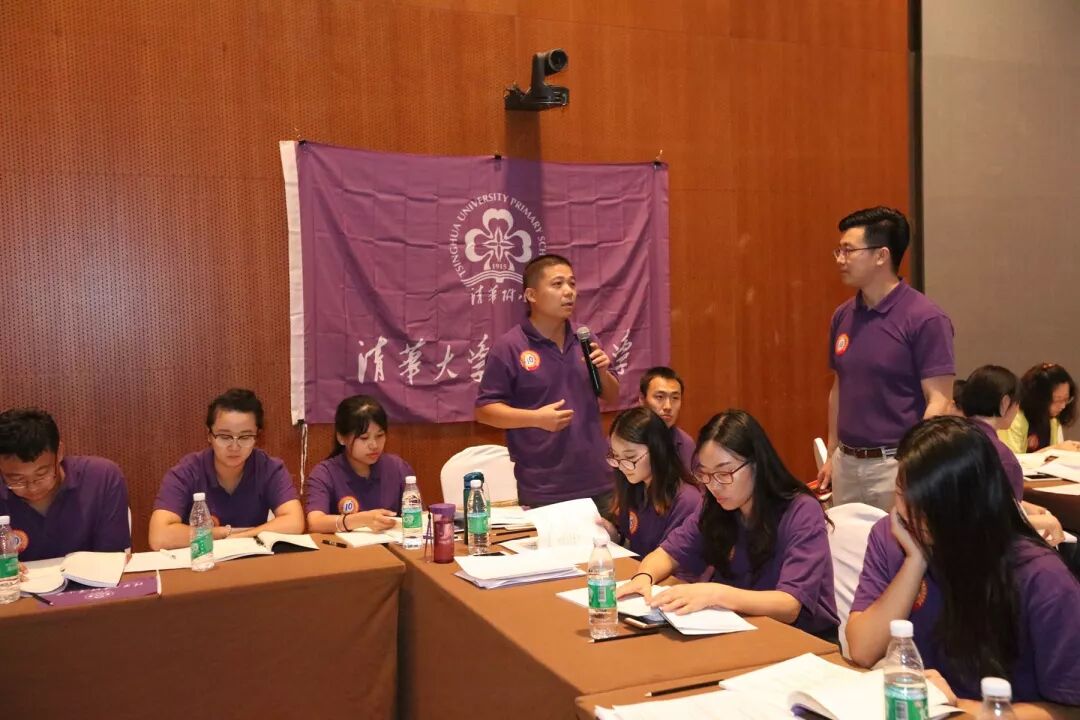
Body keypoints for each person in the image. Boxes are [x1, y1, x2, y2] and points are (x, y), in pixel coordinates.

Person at [846, 416, 1080, 710]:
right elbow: (863, 650)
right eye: (901, 493)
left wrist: (958, 705)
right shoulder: (892, 536)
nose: (904, 511)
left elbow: (1070, 709)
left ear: (966, 506)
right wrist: (915, 562)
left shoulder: (1042, 578)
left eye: (924, 503)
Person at [616, 410, 838, 637]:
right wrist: (644, 577)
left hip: (802, 639)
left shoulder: (801, 511)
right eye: (705, 474)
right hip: (741, 630)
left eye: (724, 473)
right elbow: (668, 553)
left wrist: (715, 594)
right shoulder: (716, 507)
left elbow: (789, 605)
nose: (714, 485)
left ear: (757, 464)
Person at [817, 207, 955, 512]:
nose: (840, 259)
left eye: (849, 250)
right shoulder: (843, 315)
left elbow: (940, 400)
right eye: (839, 251)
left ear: (881, 255)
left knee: (897, 542)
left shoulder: (925, 318)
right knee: (847, 541)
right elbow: (839, 387)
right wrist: (832, 453)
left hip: (896, 465)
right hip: (847, 464)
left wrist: (913, 465)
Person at [475, 254, 618, 508]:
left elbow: (613, 395)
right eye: (557, 284)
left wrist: (603, 372)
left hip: (599, 479)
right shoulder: (510, 347)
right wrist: (536, 418)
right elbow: (485, 411)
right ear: (531, 295)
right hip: (544, 488)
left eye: (572, 284)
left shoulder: (585, 339)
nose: (569, 292)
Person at [148, 388, 303, 550]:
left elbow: (295, 522)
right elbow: (159, 537)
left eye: (245, 437)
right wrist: (222, 533)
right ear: (209, 435)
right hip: (201, 560)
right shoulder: (186, 472)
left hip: (251, 560)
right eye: (224, 436)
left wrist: (238, 537)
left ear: (257, 436)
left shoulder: (269, 468)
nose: (234, 447)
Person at [0, 408, 130, 561]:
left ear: (60, 452)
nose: (32, 488)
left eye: (42, 474)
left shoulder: (101, 478)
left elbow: (112, 559)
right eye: (17, 479)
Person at [959, 365, 1067, 548]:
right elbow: (999, 524)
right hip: (982, 552)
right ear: (1005, 403)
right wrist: (1046, 522)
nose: (1017, 409)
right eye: (1017, 403)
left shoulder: (949, 437)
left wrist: (1022, 506)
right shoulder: (1000, 457)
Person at [601, 406, 701, 559]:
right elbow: (634, 546)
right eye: (616, 457)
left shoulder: (687, 501)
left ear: (657, 450)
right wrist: (613, 535)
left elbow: (671, 562)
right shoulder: (636, 487)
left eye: (630, 458)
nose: (621, 466)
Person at [305, 395, 415, 533]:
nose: (374, 445)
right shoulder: (324, 473)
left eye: (380, 436)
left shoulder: (398, 467)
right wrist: (361, 520)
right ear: (341, 438)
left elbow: (418, 514)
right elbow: (315, 523)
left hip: (391, 545)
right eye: (364, 438)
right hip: (344, 547)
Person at [1000, 363, 1080, 454]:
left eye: (1066, 399)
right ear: (1038, 398)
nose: (1063, 406)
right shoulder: (1014, 418)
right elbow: (1011, 460)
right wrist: (1055, 449)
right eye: (1057, 400)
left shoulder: (1053, 419)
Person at [638, 366, 695, 470]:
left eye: (675, 398)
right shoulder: (622, 439)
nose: (668, 406)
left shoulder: (686, 444)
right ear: (642, 399)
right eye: (659, 397)